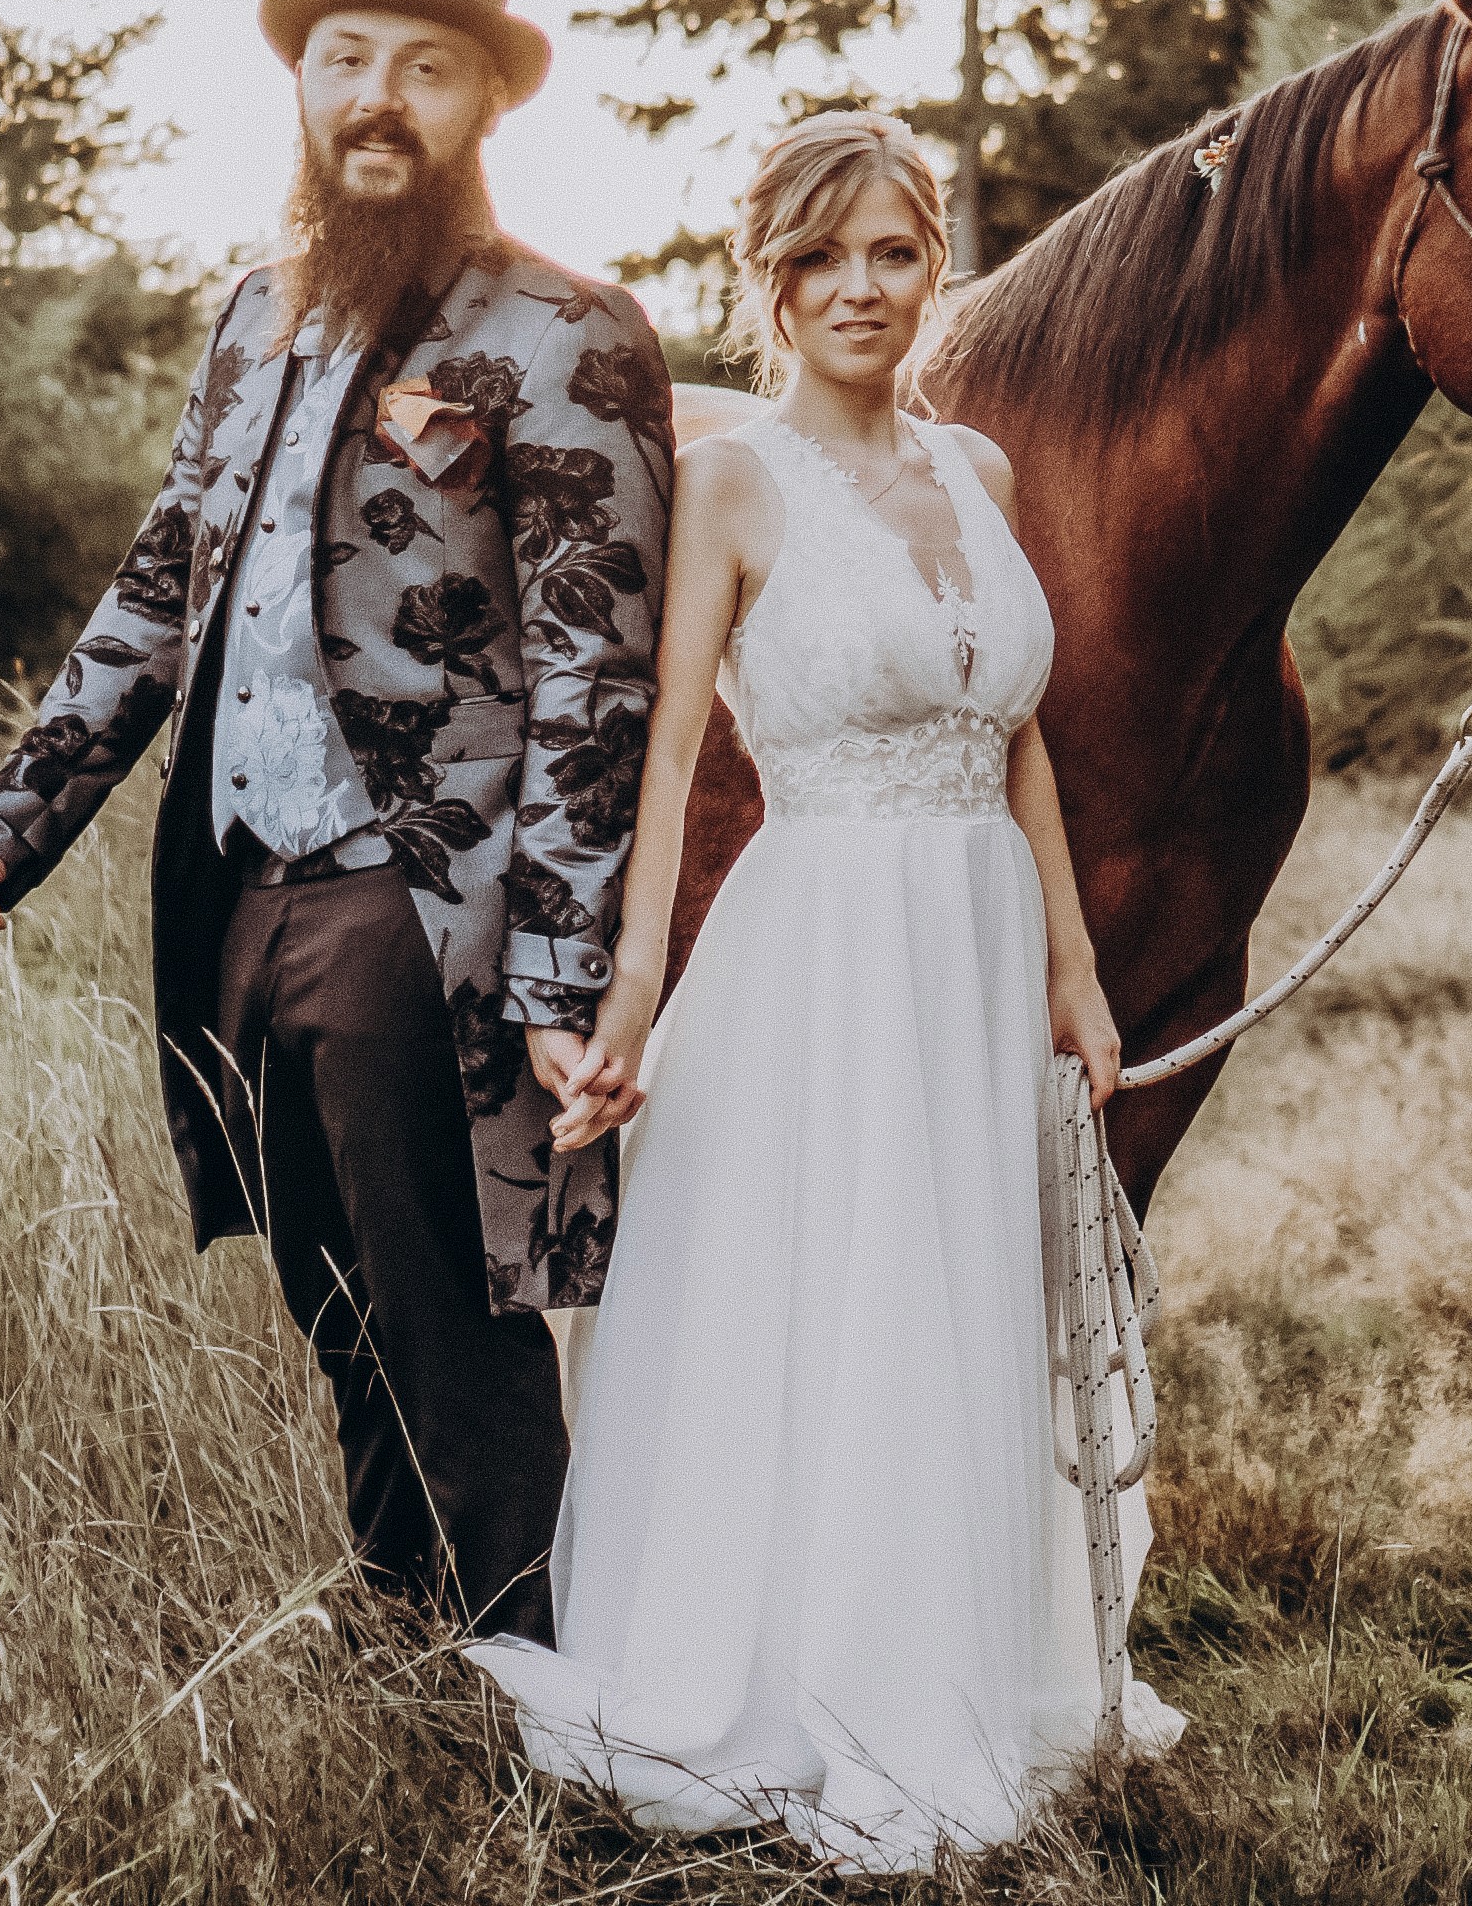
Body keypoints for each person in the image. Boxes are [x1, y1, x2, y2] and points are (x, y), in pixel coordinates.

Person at [0, 0, 673, 1647]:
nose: (375, 96)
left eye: (423, 65)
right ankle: (405, 1621)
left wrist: (559, 968)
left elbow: (596, 678)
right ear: (305, 86)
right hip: (236, 887)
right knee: (334, 1296)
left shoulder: (567, 336)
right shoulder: (256, 315)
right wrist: (5, 821)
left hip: (426, 902)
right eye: (344, 57)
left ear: (488, 103)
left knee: (449, 1310)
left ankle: (533, 1696)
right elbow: (161, 586)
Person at [466, 113, 1182, 1871]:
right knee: (832, 1295)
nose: (860, 289)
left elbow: (1015, 739)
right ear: (768, 284)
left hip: (975, 946)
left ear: (933, 265)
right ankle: (800, 1684)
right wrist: (631, 988)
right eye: (820, 260)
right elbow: (656, 758)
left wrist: (1075, 973)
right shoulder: (730, 482)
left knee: (954, 1290)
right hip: (817, 946)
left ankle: (963, 1661)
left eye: (893, 253)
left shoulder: (985, 477)